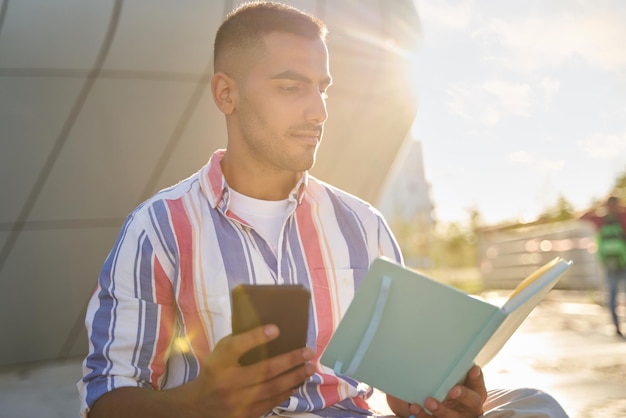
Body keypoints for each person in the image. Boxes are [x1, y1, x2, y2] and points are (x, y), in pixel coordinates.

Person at [78, 2, 569, 417]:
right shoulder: (159, 228)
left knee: (535, 404)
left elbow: (398, 391)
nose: (319, 111)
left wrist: (437, 398)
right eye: (292, 87)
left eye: (323, 88)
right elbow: (105, 399)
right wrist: (203, 400)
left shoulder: (362, 224)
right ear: (226, 94)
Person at [581, 195, 626, 337]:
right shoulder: (604, 219)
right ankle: (616, 326)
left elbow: (582, 217)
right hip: (613, 264)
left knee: (612, 296)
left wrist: (599, 207)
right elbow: (581, 218)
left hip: (619, 264)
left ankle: (616, 326)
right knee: (612, 297)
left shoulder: (607, 218)